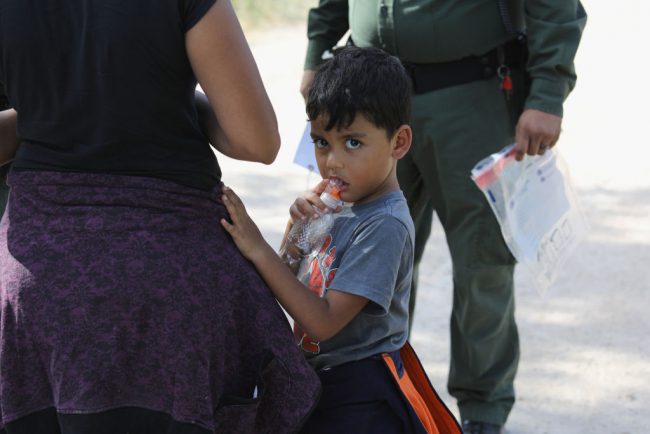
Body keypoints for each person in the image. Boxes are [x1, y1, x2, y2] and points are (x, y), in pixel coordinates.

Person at [0, 1, 320, 433]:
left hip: (37, 283)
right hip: (172, 280)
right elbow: (256, 141)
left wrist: (56, 111)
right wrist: (165, 99)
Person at [299, 1, 587, 433]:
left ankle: (482, 414)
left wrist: (547, 93)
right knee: (359, 257)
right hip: (366, 101)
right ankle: (370, 396)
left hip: (469, 94)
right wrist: (317, 53)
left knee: (482, 262)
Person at [220, 46, 461, 434]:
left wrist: (257, 248)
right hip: (321, 382)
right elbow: (286, 282)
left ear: (399, 143)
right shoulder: (338, 205)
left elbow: (323, 321)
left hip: (361, 394)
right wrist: (295, 231)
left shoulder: (385, 224)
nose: (332, 161)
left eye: (352, 143)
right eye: (322, 142)